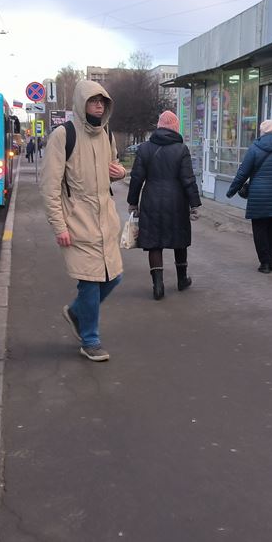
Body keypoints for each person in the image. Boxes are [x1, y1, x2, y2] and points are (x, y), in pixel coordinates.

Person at [41, 80, 127, 362]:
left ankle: (76, 312)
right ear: (82, 104)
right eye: (93, 101)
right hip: (77, 221)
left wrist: (120, 173)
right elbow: (50, 187)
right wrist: (59, 226)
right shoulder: (62, 136)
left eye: (102, 101)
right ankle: (90, 340)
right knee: (90, 282)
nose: (99, 106)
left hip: (106, 220)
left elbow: (112, 168)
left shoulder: (107, 134)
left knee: (113, 278)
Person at [127, 110, 201, 300]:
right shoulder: (181, 149)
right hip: (176, 200)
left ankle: (157, 286)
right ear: (176, 128)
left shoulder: (145, 148)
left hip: (151, 198)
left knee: (153, 241)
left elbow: (136, 178)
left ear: (159, 127)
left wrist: (133, 202)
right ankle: (182, 280)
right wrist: (194, 204)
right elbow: (188, 179)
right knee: (179, 239)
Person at [225, 119, 272, 273]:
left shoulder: (255, 148)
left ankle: (264, 263)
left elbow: (243, 173)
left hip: (258, 195)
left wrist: (231, 191)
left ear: (263, 132)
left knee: (259, 228)